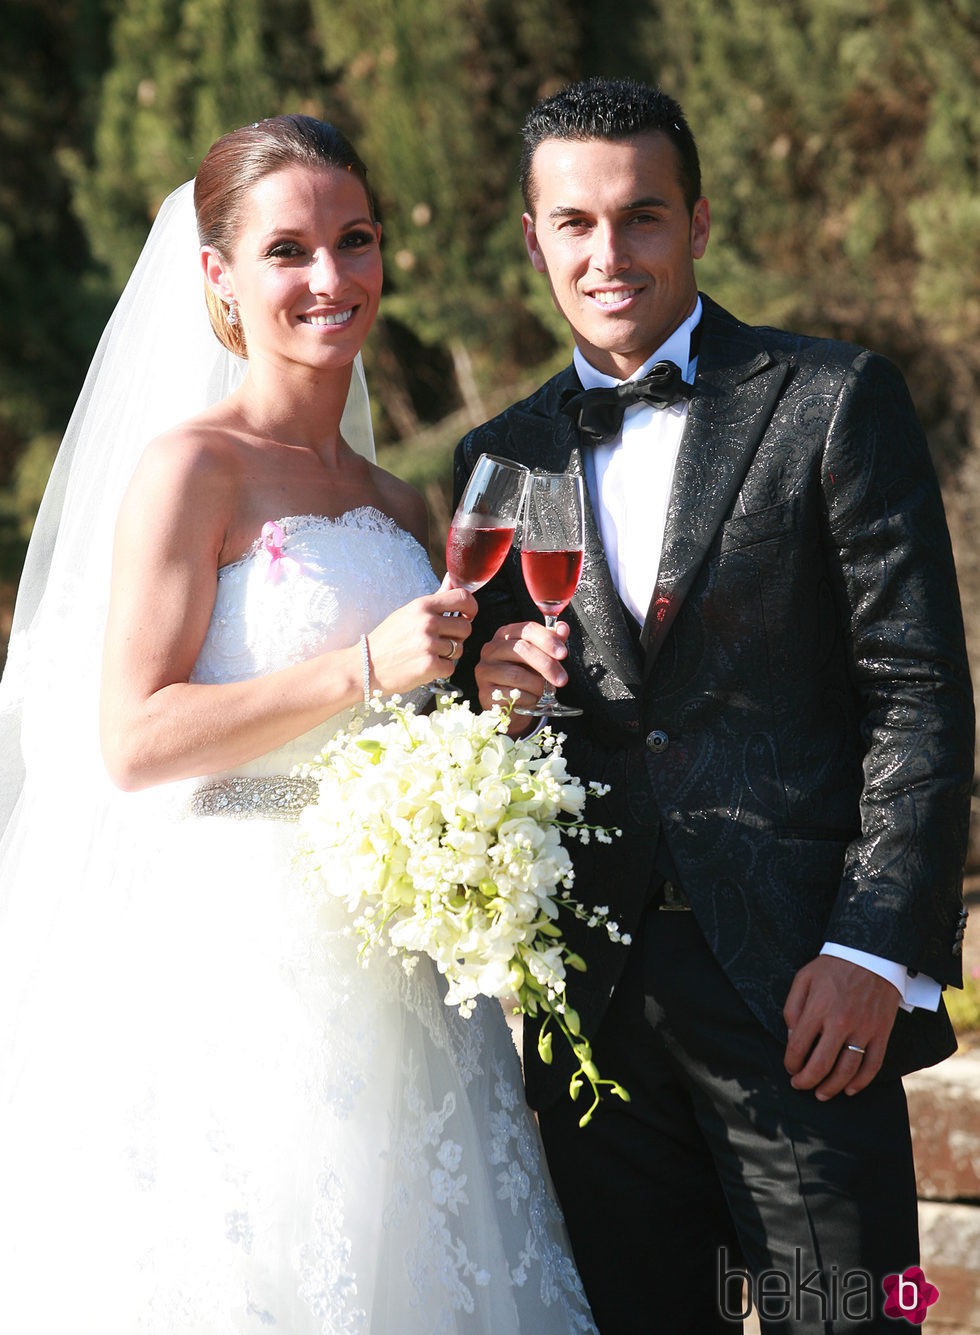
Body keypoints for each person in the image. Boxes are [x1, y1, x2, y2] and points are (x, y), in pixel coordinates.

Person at [0, 114, 598, 1334]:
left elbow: (402, 723)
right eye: (288, 251)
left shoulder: (399, 497)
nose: (331, 279)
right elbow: (132, 738)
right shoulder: (190, 471)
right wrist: (359, 672)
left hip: (401, 964)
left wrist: (477, 703)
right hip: (240, 962)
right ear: (218, 275)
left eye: (355, 240)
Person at [455, 77, 975, 1334]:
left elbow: (917, 690)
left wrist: (870, 951)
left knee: (856, 1318)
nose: (606, 253)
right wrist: (486, 702)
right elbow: (476, 724)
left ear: (695, 218)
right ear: (533, 238)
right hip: (595, 1019)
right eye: (572, 224)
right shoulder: (503, 455)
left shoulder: (831, 400)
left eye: (639, 217)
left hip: (802, 996)